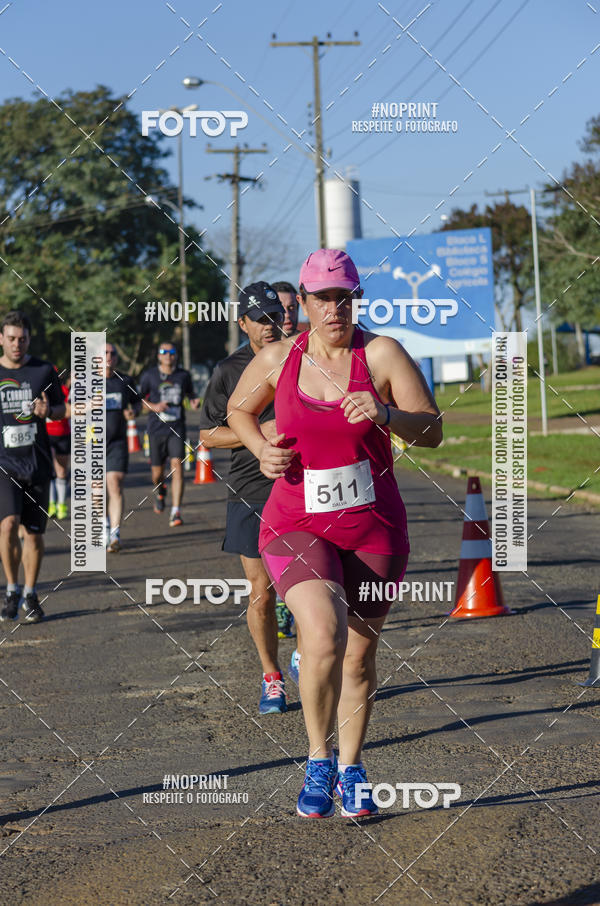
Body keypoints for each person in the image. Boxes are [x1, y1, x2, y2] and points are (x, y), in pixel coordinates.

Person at [227, 249, 442, 818]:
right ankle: (317, 761)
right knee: (322, 635)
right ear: (302, 302)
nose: (334, 309)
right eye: (322, 298)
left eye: (344, 297)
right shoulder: (278, 358)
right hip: (295, 521)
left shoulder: (382, 354)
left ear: (356, 299)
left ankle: (352, 766)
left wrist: (387, 416)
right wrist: (260, 449)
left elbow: (434, 431)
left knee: (358, 658)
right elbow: (237, 412)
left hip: (373, 527)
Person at [199, 281, 292, 715]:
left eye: (276, 316)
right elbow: (207, 435)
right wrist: (255, 433)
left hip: (300, 484)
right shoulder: (228, 370)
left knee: (314, 587)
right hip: (250, 489)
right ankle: (272, 676)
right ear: (243, 323)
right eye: (261, 320)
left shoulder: (300, 356)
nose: (271, 326)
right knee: (262, 591)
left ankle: (307, 659)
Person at [0, 311, 66, 624]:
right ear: (1, 339)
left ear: (29, 339)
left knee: (34, 536)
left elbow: (61, 409)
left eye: (22, 339)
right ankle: (11, 588)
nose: (17, 344)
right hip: (4, 465)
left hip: (37, 463)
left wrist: (48, 410)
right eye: (11, 338)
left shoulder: (43, 370)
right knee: (8, 524)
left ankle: (30, 592)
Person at [139, 343, 200, 527]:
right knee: (157, 474)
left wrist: (194, 401)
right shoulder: (150, 375)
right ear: (158, 356)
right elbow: (140, 400)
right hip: (156, 429)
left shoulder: (183, 375)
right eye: (164, 352)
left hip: (177, 428)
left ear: (176, 355)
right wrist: (154, 407)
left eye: (171, 352)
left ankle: (176, 511)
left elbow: (191, 395)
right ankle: (160, 490)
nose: (168, 355)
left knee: (177, 466)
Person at [104, 342, 140, 552]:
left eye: (113, 353)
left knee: (115, 484)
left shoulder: (124, 381)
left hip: (117, 441)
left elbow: (137, 402)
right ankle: (104, 527)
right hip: (92, 443)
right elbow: (71, 408)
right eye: (105, 353)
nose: (109, 356)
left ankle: (115, 533)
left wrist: (133, 412)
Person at [46, 371, 71, 520]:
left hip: (62, 434)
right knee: (49, 470)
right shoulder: (40, 391)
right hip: (47, 435)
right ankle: (51, 504)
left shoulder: (64, 391)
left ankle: (61, 504)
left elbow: (69, 411)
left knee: (61, 471)